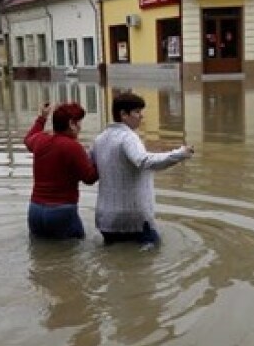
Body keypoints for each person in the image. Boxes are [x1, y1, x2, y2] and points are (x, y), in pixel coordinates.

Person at [92, 92, 193, 245]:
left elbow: (90, 170)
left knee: (114, 262)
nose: (141, 116)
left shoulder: (99, 139)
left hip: (106, 220)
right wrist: (179, 154)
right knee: (151, 256)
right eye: (137, 112)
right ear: (124, 114)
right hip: (133, 219)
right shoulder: (128, 137)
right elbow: (144, 161)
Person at [24, 101, 98, 240]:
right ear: (71, 123)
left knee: (41, 257)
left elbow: (28, 139)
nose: (80, 127)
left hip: (35, 211)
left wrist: (42, 118)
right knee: (72, 255)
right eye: (79, 123)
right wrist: (101, 159)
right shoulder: (73, 147)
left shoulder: (40, 140)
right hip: (61, 212)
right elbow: (89, 178)